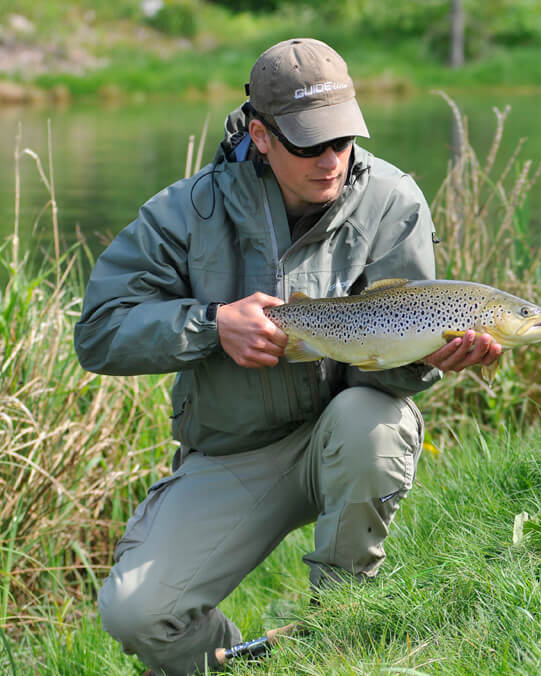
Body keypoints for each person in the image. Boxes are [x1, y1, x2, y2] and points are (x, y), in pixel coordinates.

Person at [74, 37, 502, 675]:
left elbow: (393, 362)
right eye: (309, 144)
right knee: (136, 614)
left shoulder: (393, 200)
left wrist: (437, 357)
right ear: (262, 134)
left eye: (344, 140)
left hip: (345, 430)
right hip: (232, 451)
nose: (332, 160)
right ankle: (245, 664)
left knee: (372, 424)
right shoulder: (185, 213)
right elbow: (99, 332)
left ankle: (338, 631)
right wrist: (211, 325)